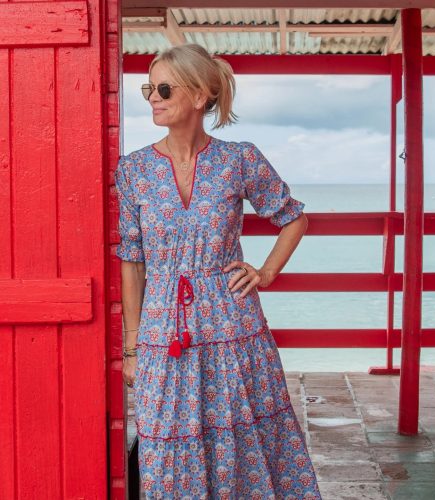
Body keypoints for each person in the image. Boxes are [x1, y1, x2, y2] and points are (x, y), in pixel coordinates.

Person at [115, 42, 322, 499]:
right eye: (149, 89)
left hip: (234, 325)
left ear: (199, 95)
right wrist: (132, 348)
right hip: (163, 329)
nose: (153, 98)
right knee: (165, 443)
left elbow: (293, 218)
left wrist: (265, 273)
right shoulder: (133, 171)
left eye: (164, 88)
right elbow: (132, 260)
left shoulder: (239, 159)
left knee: (241, 437)